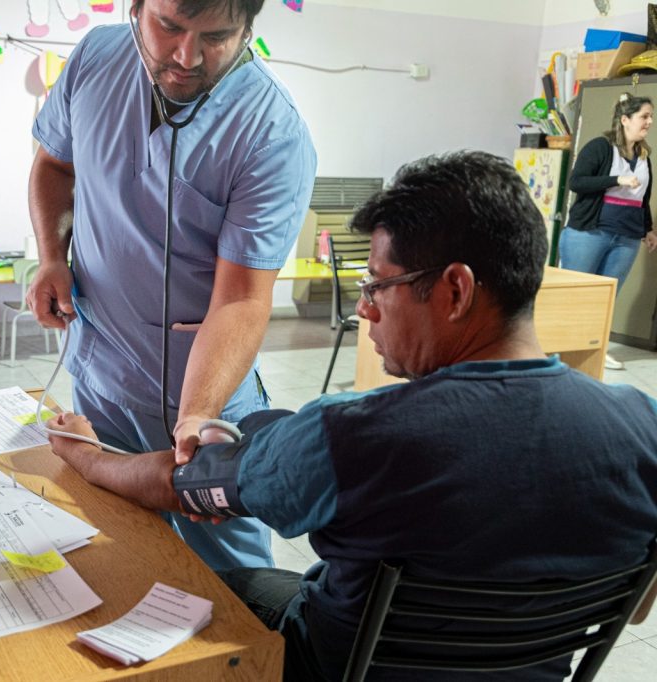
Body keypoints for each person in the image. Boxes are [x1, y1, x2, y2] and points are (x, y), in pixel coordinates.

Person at [45, 151, 657, 680]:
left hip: (330, 667)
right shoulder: (643, 425)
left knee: (198, 587)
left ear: (456, 290)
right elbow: (635, 607)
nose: (364, 309)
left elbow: (178, 484)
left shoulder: (352, 435)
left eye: (377, 285)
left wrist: (86, 454)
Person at [27, 0, 317, 572]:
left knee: (232, 577)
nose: (187, 57)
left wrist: (197, 416)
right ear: (136, 9)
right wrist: (51, 257)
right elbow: (55, 165)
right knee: (119, 546)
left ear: (248, 29)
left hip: (201, 388)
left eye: (217, 36)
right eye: (169, 27)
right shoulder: (95, 58)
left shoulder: (272, 134)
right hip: (102, 369)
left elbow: (242, 297)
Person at [559, 92, 657, 370]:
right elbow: (577, 182)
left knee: (605, 298)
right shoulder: (600, 147)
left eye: (651, 117)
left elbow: (642, 199)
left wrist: (648, 230)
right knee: (576, 294)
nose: (649, 122)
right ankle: (561, 349)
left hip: (627, 237)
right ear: (625, 119)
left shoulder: (644, 157)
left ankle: (594, 351)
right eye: (644, 116)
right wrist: (616, 179)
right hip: (589, 233)